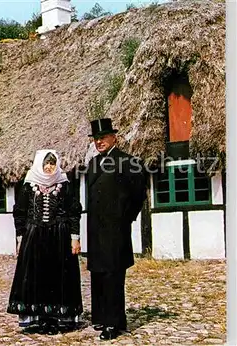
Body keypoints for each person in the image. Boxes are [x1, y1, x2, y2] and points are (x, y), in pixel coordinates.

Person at [7, 149, 83, 335]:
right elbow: (20, 213)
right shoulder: (28, 185)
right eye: (46, 164)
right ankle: (39, 319)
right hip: (34, 237)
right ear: (39, 164)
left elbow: (74, 212)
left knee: (58, 277)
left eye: (52, 163)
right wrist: (20, 238)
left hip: (60, 237)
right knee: (36, 276)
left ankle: (55, 320)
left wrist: (75, 238)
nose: (49, 167)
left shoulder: (64, 185)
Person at [85, 118, 147, 340]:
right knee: (98, 274)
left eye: (103, 137)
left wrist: (125, 219)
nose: (99, 142)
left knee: (113, 275)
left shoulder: (128, 162)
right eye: (96, 139)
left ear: (114, 138)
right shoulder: (92, 164)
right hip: (95, 229)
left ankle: (114, 322)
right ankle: (101, 318)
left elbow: (139, 195)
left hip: (115, 229)